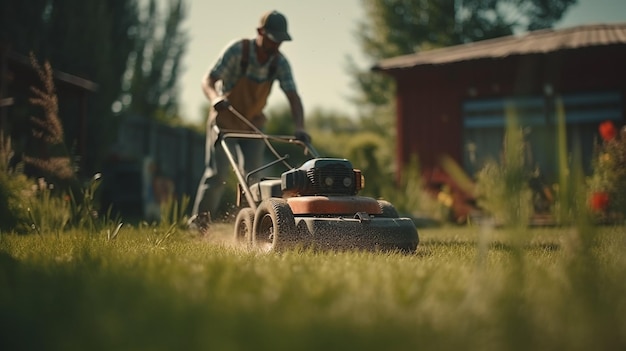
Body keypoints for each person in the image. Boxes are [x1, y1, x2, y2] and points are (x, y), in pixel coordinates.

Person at [189, 10, 309, 230]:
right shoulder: (238, 51)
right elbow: (208, 79)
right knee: (217, 174)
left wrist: (300, 127)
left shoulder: (279, 63)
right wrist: (215, 97)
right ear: (260, 32)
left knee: (254, 178)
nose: (276, 46)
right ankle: (199, 225)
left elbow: (293, 96)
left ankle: (252, 225)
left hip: (253, 124)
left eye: (280, 41)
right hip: (225, 121)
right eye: (273, 40)